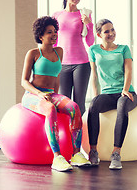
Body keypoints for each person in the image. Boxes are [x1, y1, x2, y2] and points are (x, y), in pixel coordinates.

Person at [21, 16, 91, 172]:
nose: (54, 35)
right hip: (32, 95)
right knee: (50, 109)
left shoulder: (59, 51)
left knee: (74, 107)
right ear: (40, 36)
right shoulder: (33, 53)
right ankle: (57, 157)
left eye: (55, 31)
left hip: (51, 94)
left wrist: (59, 98)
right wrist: (39, 94)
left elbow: (57, 78)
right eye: (49, 32)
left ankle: (76, 154)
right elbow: (24, 81)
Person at [87, 19, 137, 169]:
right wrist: (96, 95)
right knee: (93, 106)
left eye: (112, 30)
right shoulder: (94, 50)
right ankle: (93, 151)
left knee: (122, 105)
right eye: (106, 31)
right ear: (99, 34)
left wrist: (125, 89)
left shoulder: (123, 49)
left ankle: (116, 153)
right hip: (107, 94)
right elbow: (94, 75)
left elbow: (129, 70)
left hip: (127, 92)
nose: (111, 33)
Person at [53, 0, 94, 116]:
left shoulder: (84, 15)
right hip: (62, 64)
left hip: (81, 64)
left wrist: (89, 25)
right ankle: (66, 134)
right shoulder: (57, 15)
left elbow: (90, 42)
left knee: (79, 103)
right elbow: (54, 42)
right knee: (64, 103)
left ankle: (81, 135)